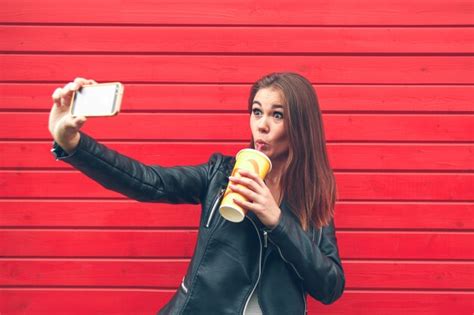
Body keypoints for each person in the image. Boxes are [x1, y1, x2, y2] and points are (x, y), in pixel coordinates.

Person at [49, 72, 345, 314]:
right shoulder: (220, 175)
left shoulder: (313, 195)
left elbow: (330, 287)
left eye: (277, 115)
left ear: (301, 126)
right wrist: (74, 145)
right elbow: (148, 181)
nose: (262, 125)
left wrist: (277, 222)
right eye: (257, 112)